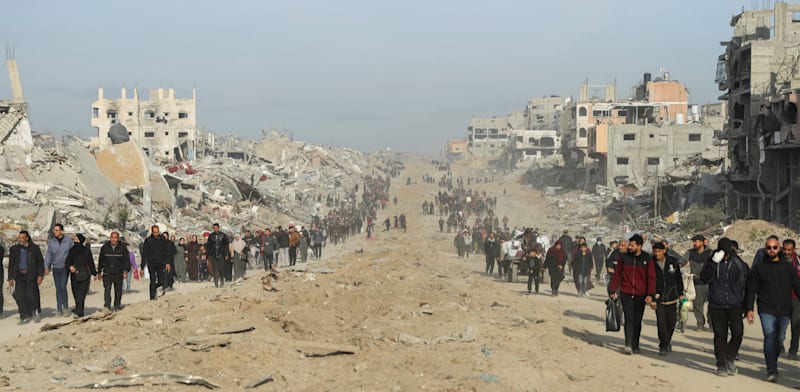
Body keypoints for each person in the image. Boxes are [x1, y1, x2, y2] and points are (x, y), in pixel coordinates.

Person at [745, 236, 800, 383]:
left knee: (779, 338)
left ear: (779, 248)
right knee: (769, 335)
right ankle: (772, 369)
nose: (771, 250)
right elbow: (751, 289)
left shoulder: (788, 267)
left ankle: (773, 360)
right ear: (765, 249)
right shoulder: (759, 268)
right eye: (768, 248)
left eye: (774, 247)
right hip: (766, 308)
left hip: (784, 310)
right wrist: (749, 309)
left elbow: (797, 286)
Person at [700, 237, 748, 377]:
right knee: (720, 335)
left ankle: (730, 356)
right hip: (716, 304)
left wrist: (746, 305)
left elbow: (746, 283)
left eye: (726, 251)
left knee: (737, 332)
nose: (724, 254)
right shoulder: (712, 260)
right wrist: (713, 263)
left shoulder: (738, 263)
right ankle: (721, 364)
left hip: (735, 304)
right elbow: (704, 278)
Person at [608, 234, 655, 355]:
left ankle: (636, 344)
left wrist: (650, 294)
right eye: (629, 244)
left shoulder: (647, 259)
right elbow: (617, 275)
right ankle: (628, 344)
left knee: (637, 321)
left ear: (639, 246)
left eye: (632, 245)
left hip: (641, 294)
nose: (629, 247)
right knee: (629, 319)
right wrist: (612, 290)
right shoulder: (624, 258)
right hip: (626, 293)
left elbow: (651, 277)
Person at [650, 242, 683, 356]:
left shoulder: (672, 261)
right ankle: (663, 345)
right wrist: (651, 297)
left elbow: (678, 277)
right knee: (661, 323)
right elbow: (649, 281)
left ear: (664, 250)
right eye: (655, 251)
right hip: (658, 297)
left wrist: (680, 293)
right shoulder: (651, 263)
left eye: (659, 251)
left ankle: (667, 341)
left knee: (672, 321)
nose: (657, 254)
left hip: (672, 296)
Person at [8, 231, 45, 324]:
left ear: (27, 238)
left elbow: (40, 262)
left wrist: (40, 275)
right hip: (19, 276)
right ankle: (23, 315)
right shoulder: (14, 249)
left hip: (31, 275)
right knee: (19, 296)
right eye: (19, 238)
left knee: (31, 295)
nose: (20, 239)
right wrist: (10, 277)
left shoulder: (34, 249)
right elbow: (11, 264)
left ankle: (34, 312)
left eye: (22, 238)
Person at [683, 234, 713, 331]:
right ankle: (700, 323)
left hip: (710, 283)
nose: (694, 243)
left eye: (696, 241)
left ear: (702, 242)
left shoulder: (710, 253)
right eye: (694, 242)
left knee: (713, 305)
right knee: (697, 305)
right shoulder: (690, 253)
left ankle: (712, 324)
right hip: (697, 283)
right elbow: (682, 261)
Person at [44, 223, 73, 317]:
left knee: (62, 287)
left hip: (65, 267)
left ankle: (65, 307)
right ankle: (58, 308)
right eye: (54, 230)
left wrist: (72, 265)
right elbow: (49, 255)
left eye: (57, 230)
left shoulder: (68, 241)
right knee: (58, 288)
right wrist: (46, 266)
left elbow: (73, 253)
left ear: (62, 231)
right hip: (55, 267)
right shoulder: (52, 242)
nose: (55, 232)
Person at [97, 231, 129, 312]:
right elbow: (101, 260)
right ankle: (107, 305)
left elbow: (126, 260)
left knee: (118, 290)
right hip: (107, 272)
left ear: (118, 238)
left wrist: (125, 270)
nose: (113, 239)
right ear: (110, 238)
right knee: (107, 290)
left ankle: (117, 305)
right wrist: (99, 272)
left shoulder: (123, 248)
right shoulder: (105, 247)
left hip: (118, 272)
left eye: (115, 238)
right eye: (112, 237)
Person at [66, 234, 97, 317]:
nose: (75, 241)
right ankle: (79, 308)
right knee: (75, 292)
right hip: (74, 274)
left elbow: (90, 262)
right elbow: (68, 260)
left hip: (84, 273)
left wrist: (95, 273)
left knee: (82, 293)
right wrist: (70, 267)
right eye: (74, 240)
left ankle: (79, 311)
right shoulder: (72, 250)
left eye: (77, 240)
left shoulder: (86, 250)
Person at [141, 225, 171, 299]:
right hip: (151, 263)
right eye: (155, 232)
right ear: (152, 232)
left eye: (157, 232)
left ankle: (155, 288)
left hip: (161, 263)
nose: (156, 234)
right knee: (153, 280)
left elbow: (166, 251)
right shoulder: (148, 240)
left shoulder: (162, 239)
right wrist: (142, 267)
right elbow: (144, 254)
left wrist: (167, 263)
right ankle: (152, 296)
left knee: (161, 281)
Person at [785, 239, 800, 360]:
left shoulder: (798, 262)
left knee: (796, 324)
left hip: (796, 298)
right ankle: (778, 346)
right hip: (779, 298)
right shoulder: (776, 260)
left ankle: (793, 350)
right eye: (784, 249)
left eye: (789, 250)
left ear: (793, 250)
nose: (786, 252)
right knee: (779, 325)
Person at [207, 223, 229, 287]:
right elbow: (208, 246)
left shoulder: (223, 235)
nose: (215, 229)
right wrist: (208, 254)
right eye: (214, 228)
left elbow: (226, 246)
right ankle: (216, 283)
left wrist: (226, 254)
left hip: (221, 254)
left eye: (216, 228)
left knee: (221, 269)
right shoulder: (211, 236)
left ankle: (222, 281)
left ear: (218, 228)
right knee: (215, 269)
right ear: (213, 228)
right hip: (213, 255)